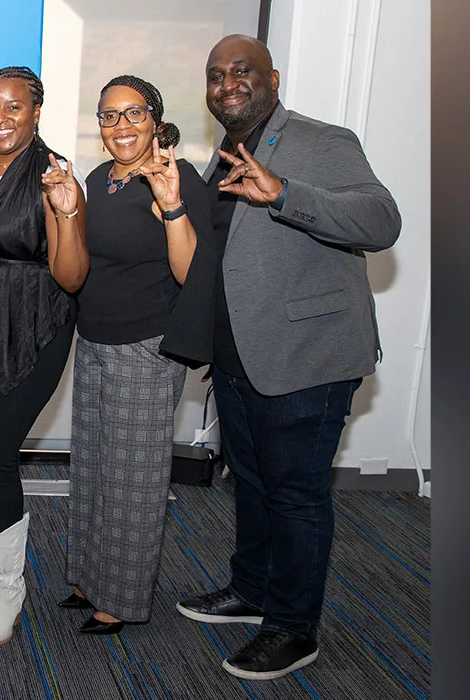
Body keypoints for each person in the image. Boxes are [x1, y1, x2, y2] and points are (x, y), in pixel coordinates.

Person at [176, 35, 401, 680]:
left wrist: (284, 194)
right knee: (251, 483)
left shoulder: (321, 141)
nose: (226, 84)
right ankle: (252, 590)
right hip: (240, 357)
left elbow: (381, 221)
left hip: (306, 357)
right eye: (215, 75)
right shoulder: (226, 154)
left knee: (296, 495)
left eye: (240, 71)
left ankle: (293, 628)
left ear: (272, 78)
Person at [62, 75, 217, 636]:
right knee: (93, 468)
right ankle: (89, 577)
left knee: (134, 480)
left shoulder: (176, 176)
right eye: (109, 116)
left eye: (133, 113)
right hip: (94, 341)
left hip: (147, 349)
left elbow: (192, 272)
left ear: (155, 119)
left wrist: (171, 208)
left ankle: (122, 598)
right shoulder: (99, 179)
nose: (120, 126)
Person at [0, 67, 87, 648]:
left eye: (14, 107)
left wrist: (68, 212)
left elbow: (71, 276)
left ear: (36, 110)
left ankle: (9, 587)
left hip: (32, 332)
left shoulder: (52, 174)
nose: (0, 119)